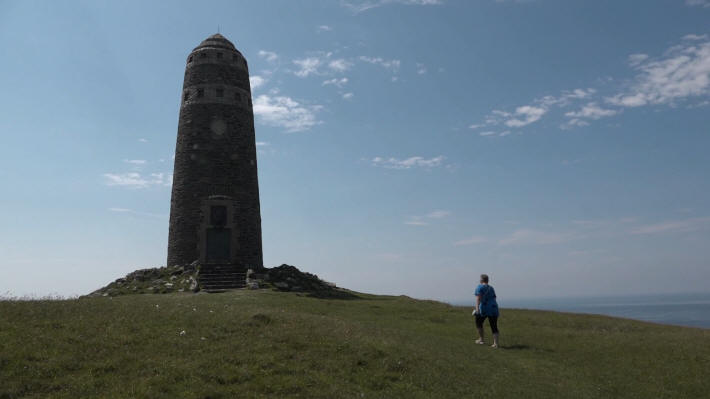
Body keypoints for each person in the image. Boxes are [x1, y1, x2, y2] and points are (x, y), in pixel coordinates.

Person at [473, 274, 500, 348]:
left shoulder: (479, 287)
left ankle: (481, 339)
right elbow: (494, 297)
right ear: (487, 280)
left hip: (484, 308)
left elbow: (478, 298)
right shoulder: (491, 288)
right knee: (494, 325)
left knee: (478, 323)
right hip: (493, 307)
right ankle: (496, 343)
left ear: (481, 280)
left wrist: (477, 308)